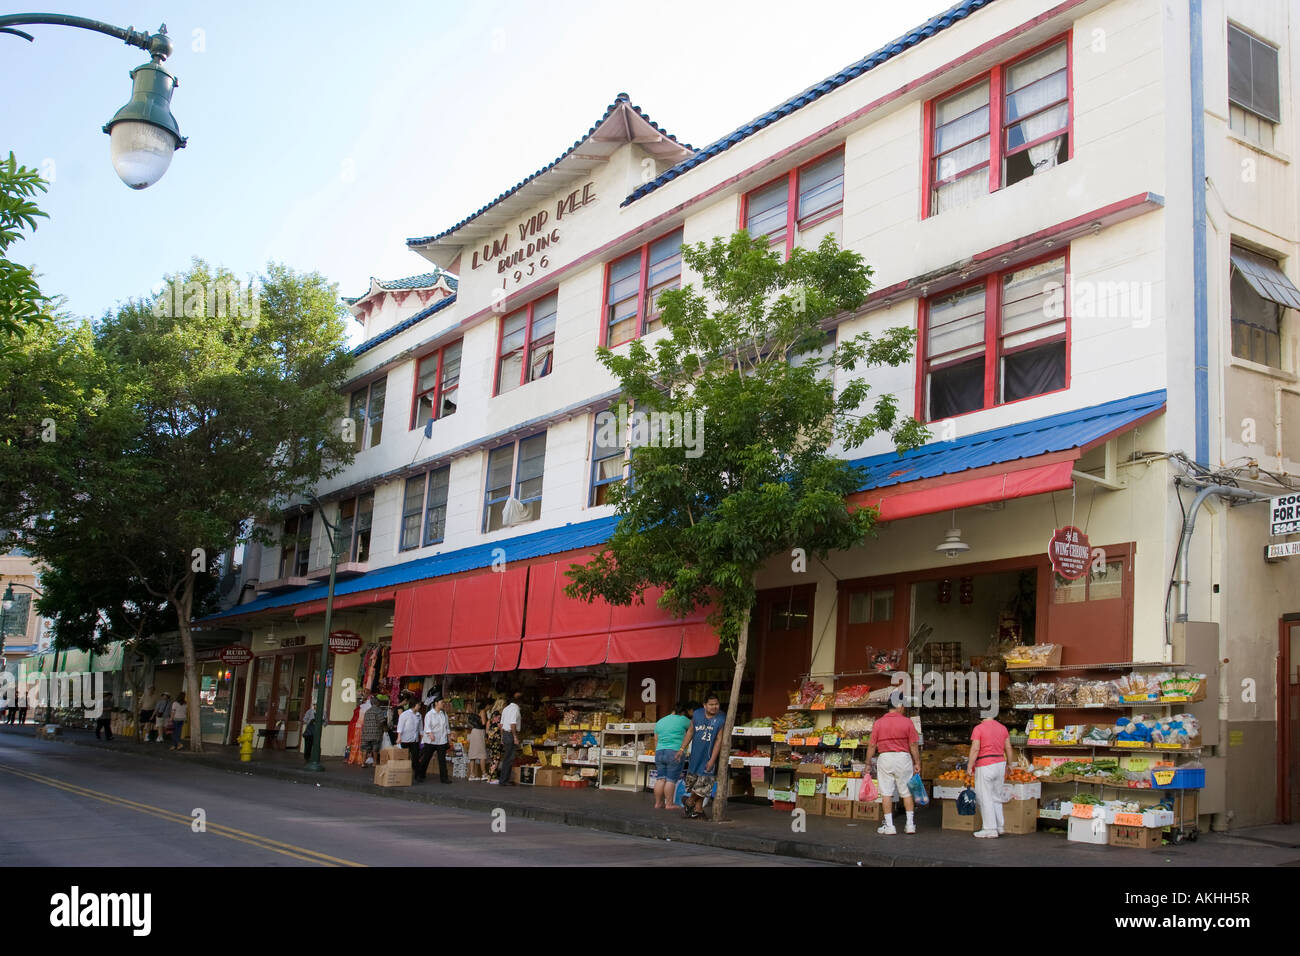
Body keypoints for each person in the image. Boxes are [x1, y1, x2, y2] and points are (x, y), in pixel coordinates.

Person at [865, 697, 921, 835]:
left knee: (886, 793)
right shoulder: (907, 722)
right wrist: (917, 762)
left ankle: (889, 826)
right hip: (903, 758)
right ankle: (910, 825)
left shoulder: (878, 723)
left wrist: (867, 763)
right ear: (899, 705)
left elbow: (872, 745)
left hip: (885, 758)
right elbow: (913, 745)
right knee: (906, 792)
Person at [968, 711, 1014, 839]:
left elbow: (975, 748)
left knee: (984, 797)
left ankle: (989, 829)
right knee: (996, 796)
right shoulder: (1002, 728)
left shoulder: (978, 729)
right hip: (1000, 763)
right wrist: (1010, 764)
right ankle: (1000, 826)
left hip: (985, 763)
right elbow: (1008, 748)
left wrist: (970, 765)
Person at [680, 694, 725, 819]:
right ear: (704, 705)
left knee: (705, 785)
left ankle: (689, 801)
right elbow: (690, 731)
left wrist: (712, 760)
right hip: (695, 756)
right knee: (696, 783)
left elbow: (718, 740)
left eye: (716, 704)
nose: (714, 707)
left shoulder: (721, 718)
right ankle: (698, 810)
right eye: (711, 704)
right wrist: (682, 748)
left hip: (709, 757)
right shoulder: (697, 714)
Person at [652, 702, 692, 809]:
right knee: (670, 780)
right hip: (674, 752)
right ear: (683, 712)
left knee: (660, 779)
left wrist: (658, 751)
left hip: (659, 752)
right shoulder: (683, 719)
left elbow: (655, 739)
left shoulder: (660, 721)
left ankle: (658, 803)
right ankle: (669, 804)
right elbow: (693, 729)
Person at [419, 695, 452, 784]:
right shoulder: (429, 714)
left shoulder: (443, 714)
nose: (443, 704)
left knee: (442, 759)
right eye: (442, 702)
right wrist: (430, 734)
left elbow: (446, 726)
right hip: (431, 740)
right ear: (436, 703)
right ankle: (420, 775)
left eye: (443, 702)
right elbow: (427, 726)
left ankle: (444, 778)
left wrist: (449, 737)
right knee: (426, 758)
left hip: (441, 740)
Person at [495, 692, 523, 785]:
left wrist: (502, 736)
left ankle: (503, 779)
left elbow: (501, 725)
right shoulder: (515, 710)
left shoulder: (506, 709)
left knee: (506, 757)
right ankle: (504, 780)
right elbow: (513, 724)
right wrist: (515, 737)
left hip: (506, 734)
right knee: (509, 758)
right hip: (510, 734)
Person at [360, 694, 389, 766]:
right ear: (376, 703)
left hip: (366, 733)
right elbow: (382, 721)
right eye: (379, 702)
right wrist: (385, 728)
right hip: (375, 733)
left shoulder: (367, 711)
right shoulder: (379, 711)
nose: (380, 703)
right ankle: (375, 763)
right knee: (375, 748)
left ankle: (363, 763)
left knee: (365, 748)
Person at [397, 698, 423, 769]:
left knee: (415, 757)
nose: (420, 707)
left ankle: (416, 774)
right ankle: (404, 771)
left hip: (415, 740)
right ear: (414, 705)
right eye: (419, 705)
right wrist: (399, 737)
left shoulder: (419, 715)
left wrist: (422, 738)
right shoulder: (404, 714)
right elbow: (400, 727)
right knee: (405, 757)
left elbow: (421, 728)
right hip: (405, 739)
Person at [466, 701, 488, 781]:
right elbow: (483, 722)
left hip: (474, 731)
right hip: (479, 732)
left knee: (473, 753)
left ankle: (472, 775)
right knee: (482, 753)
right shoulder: (483, 711)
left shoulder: (478, 712)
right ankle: (484, 773)